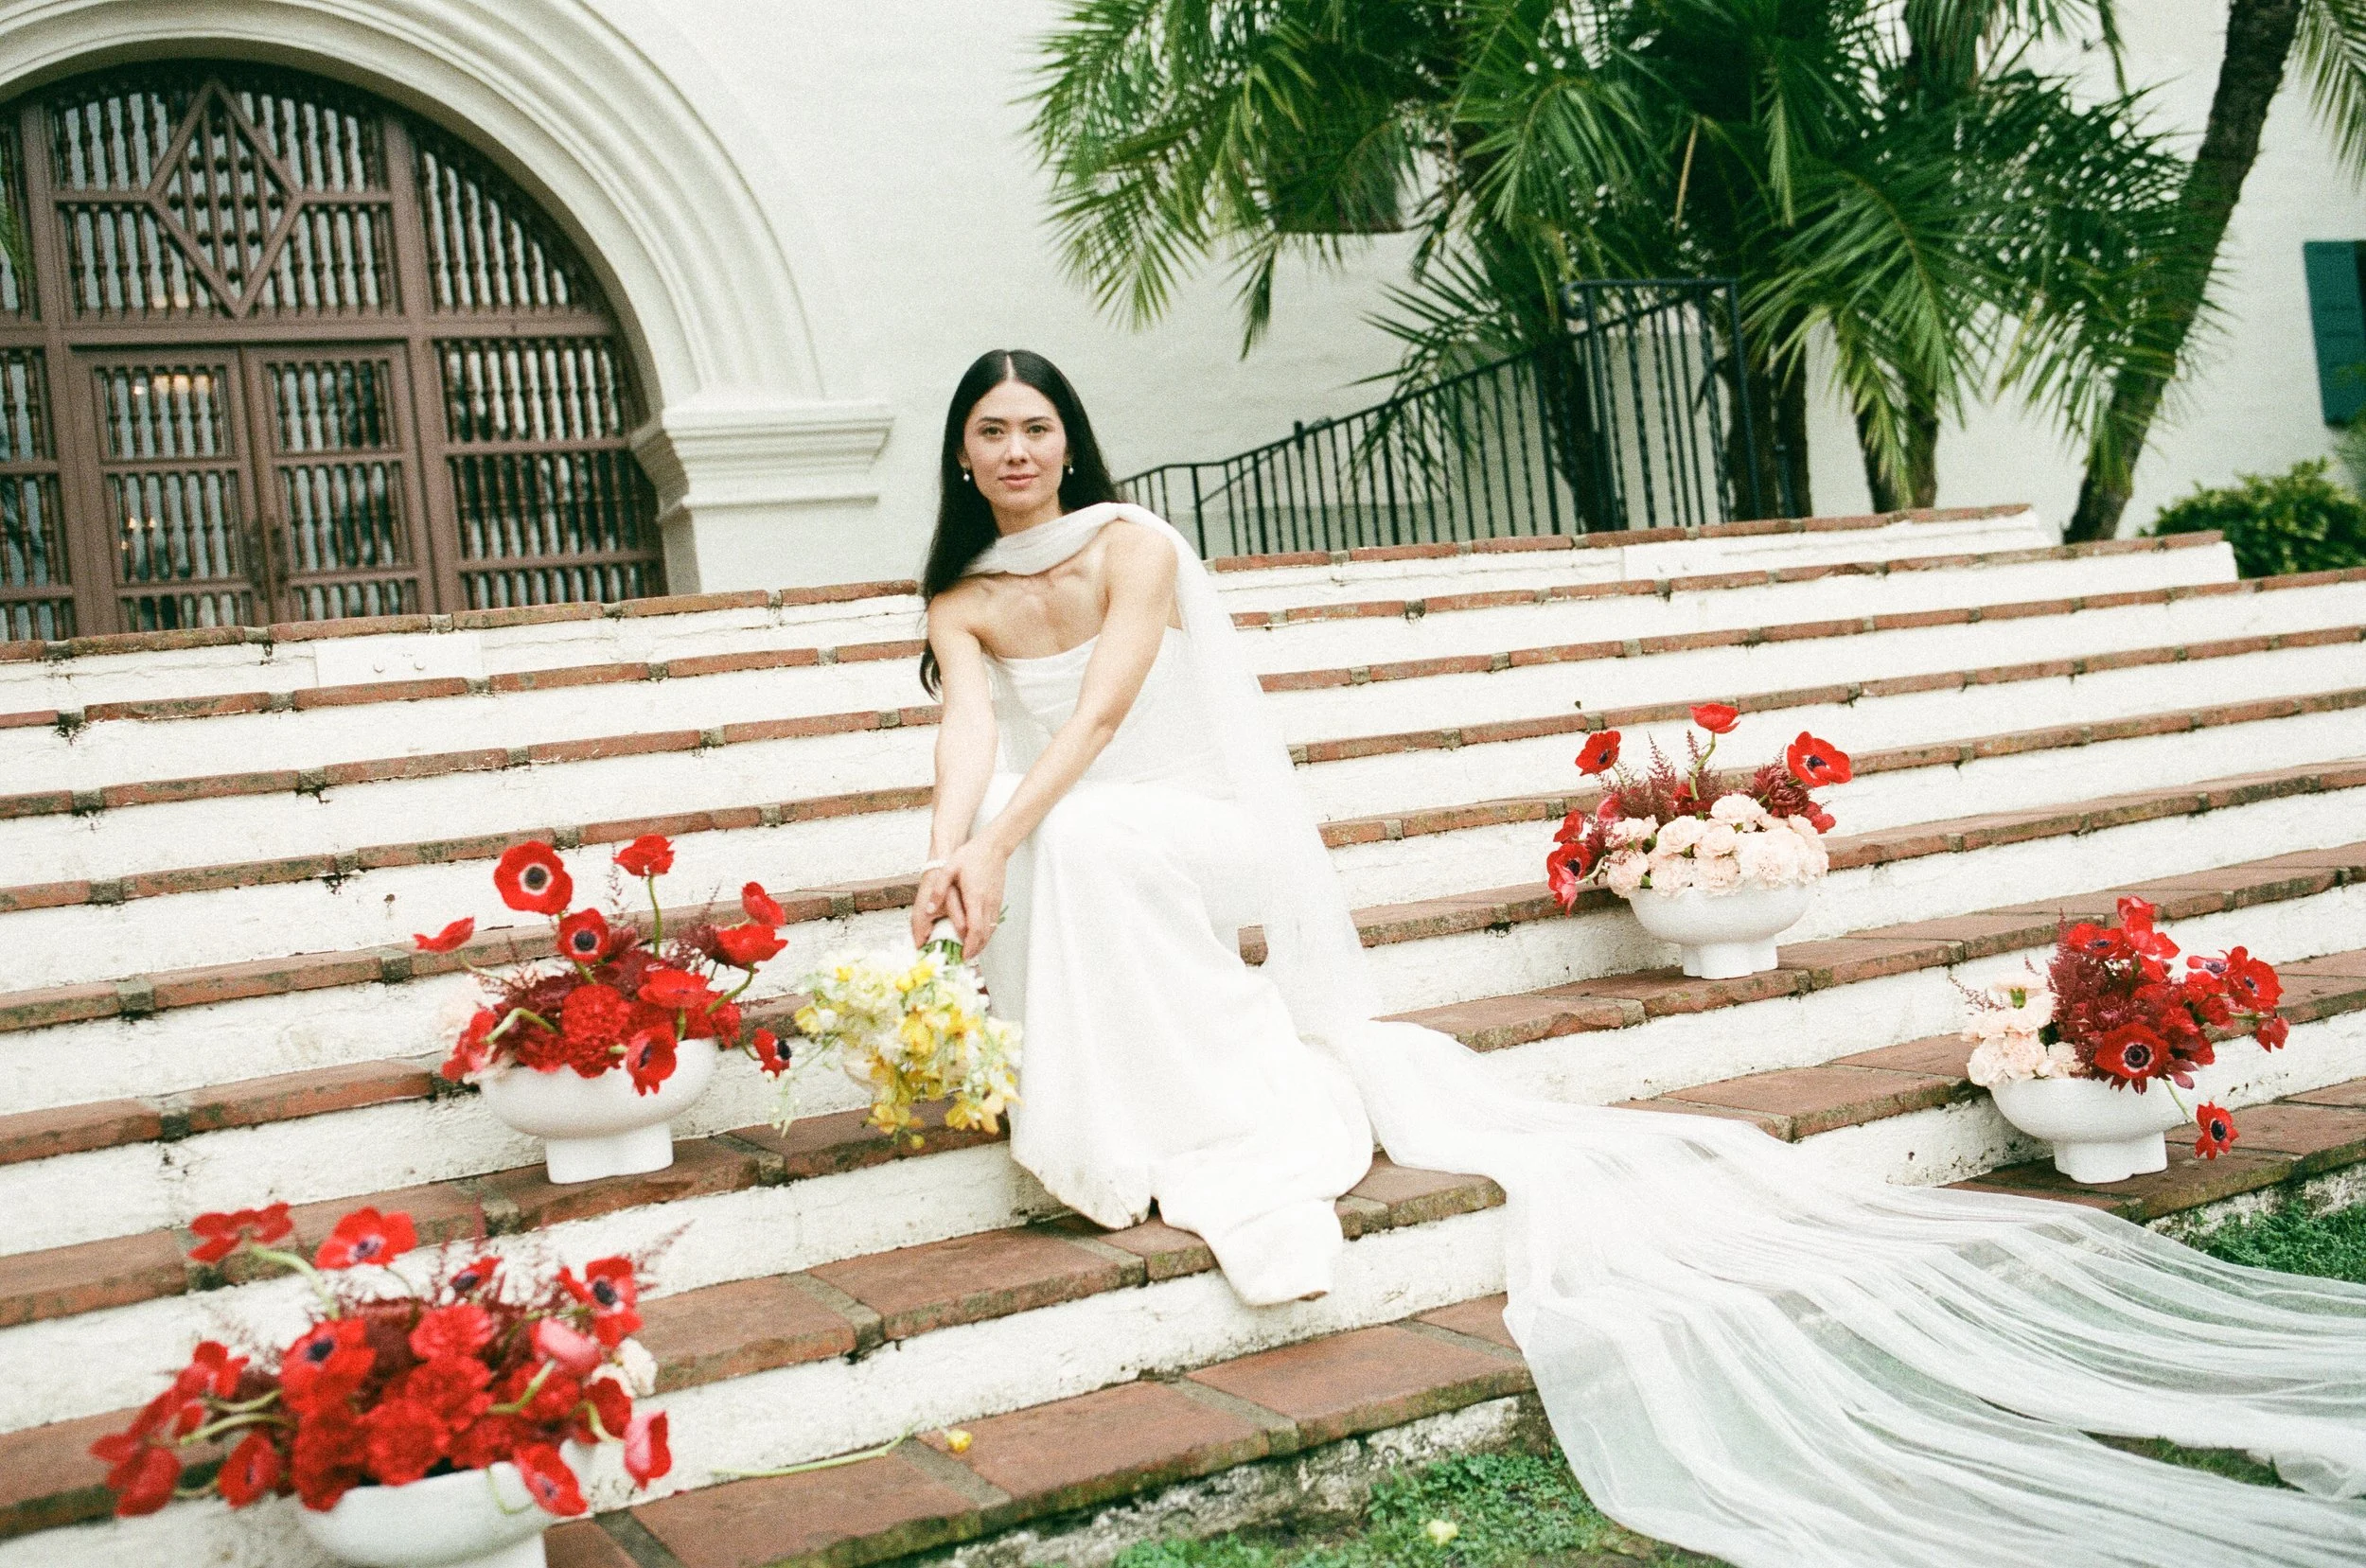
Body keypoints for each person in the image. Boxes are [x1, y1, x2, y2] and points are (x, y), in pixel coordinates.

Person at [909, 349, 2366, 1567]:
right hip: (1082, 834)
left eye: (1040, 426)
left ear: (1071, 441)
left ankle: (1201, 1109)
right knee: (1063, 847)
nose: (1021, 449)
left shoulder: (1138, 545)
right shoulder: (961, 598)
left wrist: (1000, 844)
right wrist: (947, 849)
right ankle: (1135, 1109)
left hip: (1194, 821)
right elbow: (972, 740)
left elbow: (1098, 721)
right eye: (995, 432)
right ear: (965, 459)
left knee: (1076, 841)